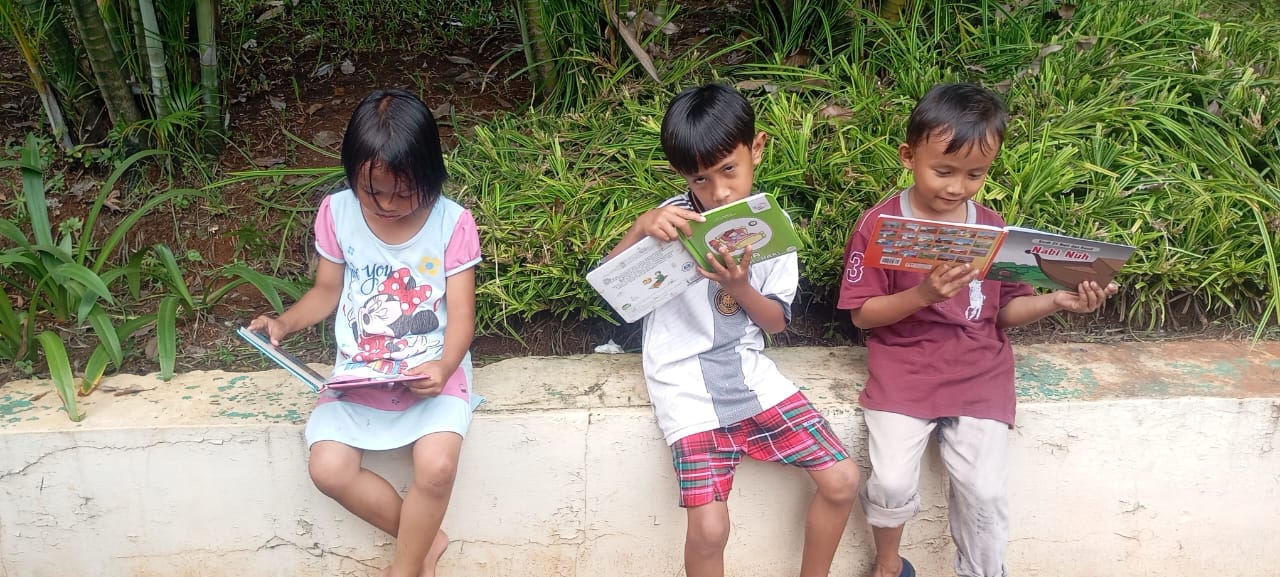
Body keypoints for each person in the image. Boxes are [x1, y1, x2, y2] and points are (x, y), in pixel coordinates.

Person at [837, 83, 1117, 577]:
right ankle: (889, 565)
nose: (957, 187)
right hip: (904, 371)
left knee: (985, 493)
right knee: (891, 483)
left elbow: (1003, 312)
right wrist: (924, 294)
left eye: (975, 174)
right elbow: (863, 315)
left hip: (979, 373)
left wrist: (1057, 300)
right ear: (908, 156)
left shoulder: (992, 228)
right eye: (943, 171)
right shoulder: (880, 225)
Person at [605, 83, 861, 577]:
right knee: (709, 529)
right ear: (682, 175)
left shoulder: (770, 227)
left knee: (843, 480)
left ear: (756, 149)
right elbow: (618, 292)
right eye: (700, 179)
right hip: (683, 387)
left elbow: (776, 323)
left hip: (751, 376)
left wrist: (739, 287)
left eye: (729, 169)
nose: (718, 191)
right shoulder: (669, 223)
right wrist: (640, 227)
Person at [249, 88, 481, 577]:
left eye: (405, 191)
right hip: (360, 372)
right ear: (352, 172)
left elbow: (462, 316)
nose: (388, 204)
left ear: (431, 174)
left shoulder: (453, 223)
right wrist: (283, 323)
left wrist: (444, 366)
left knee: (437, 466)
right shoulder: (337, 213)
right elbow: (326, 291)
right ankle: (425, 543)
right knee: (328, 468)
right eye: (373, 191)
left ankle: (405, 568)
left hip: (431, 370)